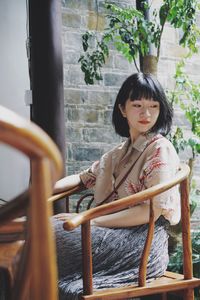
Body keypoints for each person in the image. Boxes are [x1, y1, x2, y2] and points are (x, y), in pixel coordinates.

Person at [52, 72, 180, 300]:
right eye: (137, 104)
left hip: (142, 243)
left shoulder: (160, 149)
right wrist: (43, 188)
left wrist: (90, 218)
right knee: (42, 228)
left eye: (154, 106)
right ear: (123, 109)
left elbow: (151, 210)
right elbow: (82, 178)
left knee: (51, 235)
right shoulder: (118, 153)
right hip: (110, 231)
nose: (146, 113)